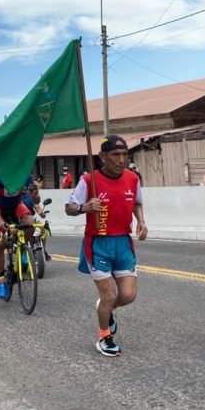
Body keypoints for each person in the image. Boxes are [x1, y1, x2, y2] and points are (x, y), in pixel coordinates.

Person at [65, 134, 147, 357]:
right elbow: (69, 207)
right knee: (109, 295)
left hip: (123, 241)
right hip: (98, 243)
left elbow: (137, 202)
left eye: (124, 155)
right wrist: (85, 208)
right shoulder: (89, 180)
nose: (121, 160)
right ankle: (104, 337)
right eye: (115, 155)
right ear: (102, 156)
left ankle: (108, 309)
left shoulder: (132, 178)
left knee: (128, 295)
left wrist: (141, 220)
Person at [0, 171, 39, 299]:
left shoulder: (25, 175)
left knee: (30, 223)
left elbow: (36, 201)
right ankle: (0, 281)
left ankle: (22, 251)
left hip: (16, 205)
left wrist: (35, 194)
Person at [22, 190, 51, 261]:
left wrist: (41, 213)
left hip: (30, 220)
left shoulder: (29, 196)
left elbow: (37, 207)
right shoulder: (14, 196)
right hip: (18, 221)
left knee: (42, 229)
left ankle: (43, 250)